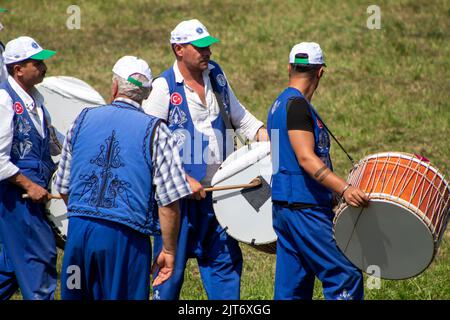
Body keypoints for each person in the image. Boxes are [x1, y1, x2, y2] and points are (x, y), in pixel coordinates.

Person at [143, 19, 269, 300]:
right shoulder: (163, 88)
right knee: (168, 276)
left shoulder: (216, 75)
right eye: (199, 47)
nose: (207, 52)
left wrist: (271, 146)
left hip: (219, 198)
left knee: (225, 270)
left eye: (208, 46)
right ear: (178, 49)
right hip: (176, 204)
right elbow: (147, 143)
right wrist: (182, 179)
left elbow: (241, 119)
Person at [55, 56, 198, 300]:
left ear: (114, 87)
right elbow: (168, 203)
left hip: (79, 235)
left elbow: (63, 186)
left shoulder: (81, 119)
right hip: (126, 240)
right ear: (147, 93)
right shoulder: (157, 131)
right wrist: (170, 250)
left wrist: (88, 218)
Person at [267, 42, 369, 300]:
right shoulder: (298, 106)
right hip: (305, 208)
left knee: (293, 287)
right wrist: (344, 189)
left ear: (289, 67)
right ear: (320, 72)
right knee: (345, 274)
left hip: (284, 208)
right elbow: (305, 158)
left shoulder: (278, 105)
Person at [0, 36, 59, 300]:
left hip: (31, 198)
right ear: (18, 69)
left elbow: (55, 143)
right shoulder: (4, 100)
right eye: (37, 63)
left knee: (10, 267)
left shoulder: (37, 102)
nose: (44, 67)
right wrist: (29, 185)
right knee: (40, 260)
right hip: (16, 200)